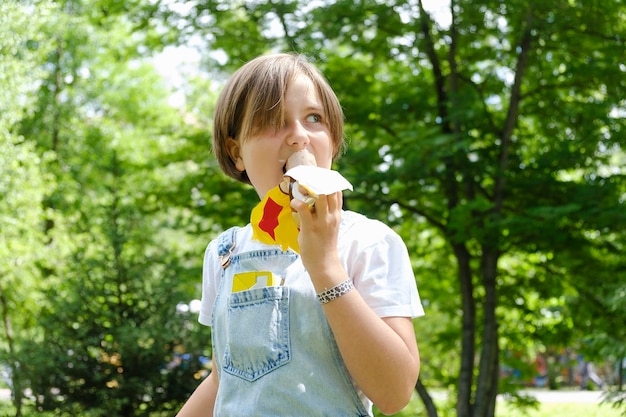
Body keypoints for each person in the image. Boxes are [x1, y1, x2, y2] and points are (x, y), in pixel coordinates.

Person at [176, 52, 424, 417]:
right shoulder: (224, 251)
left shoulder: (368, 242)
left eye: (314, 119)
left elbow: (394, 393)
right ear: (236, 151)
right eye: (272, 121)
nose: (299, 137)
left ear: (334, 140)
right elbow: (222, 380)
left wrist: (325, 265)